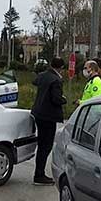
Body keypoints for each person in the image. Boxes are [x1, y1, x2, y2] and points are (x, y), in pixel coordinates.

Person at [30, 57, 67, 186]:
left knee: (41, 144)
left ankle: (38, 172)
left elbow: (35, 81)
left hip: (38, 113)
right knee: (46, 146)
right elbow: (56, 99)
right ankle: (39, 175)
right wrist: (64, 100)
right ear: (61, 67)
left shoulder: (43, 75)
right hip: (48, 116)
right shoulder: (56, 80)